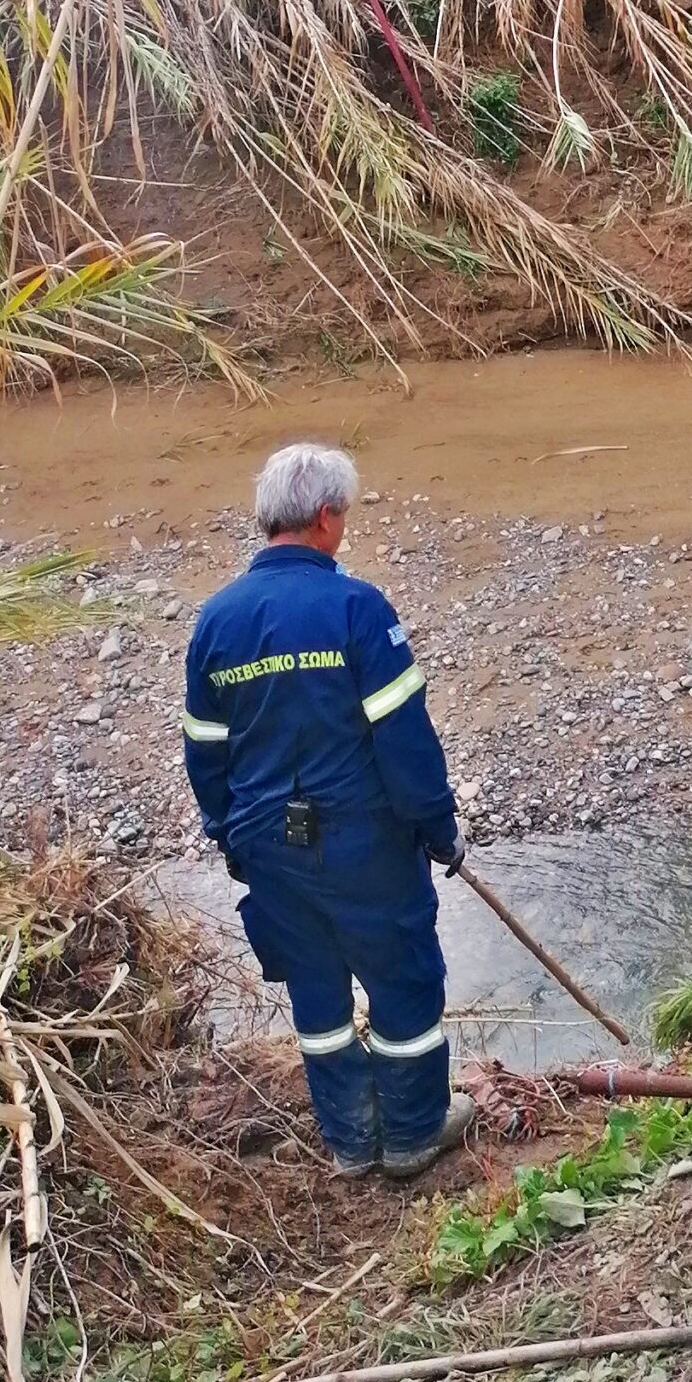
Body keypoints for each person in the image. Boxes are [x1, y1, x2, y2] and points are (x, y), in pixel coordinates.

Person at [182, 444, 473, 1179]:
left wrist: (233, 839)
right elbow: (405, 744)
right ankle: (410, 1136)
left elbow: (204, 755)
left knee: (316, 995)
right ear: (324, 517)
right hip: (363, 841)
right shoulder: (357, 609)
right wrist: (439, 829)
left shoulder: (216, 622)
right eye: (344, 513)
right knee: (403, 980)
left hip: (269, 846)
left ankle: (350, 1141)